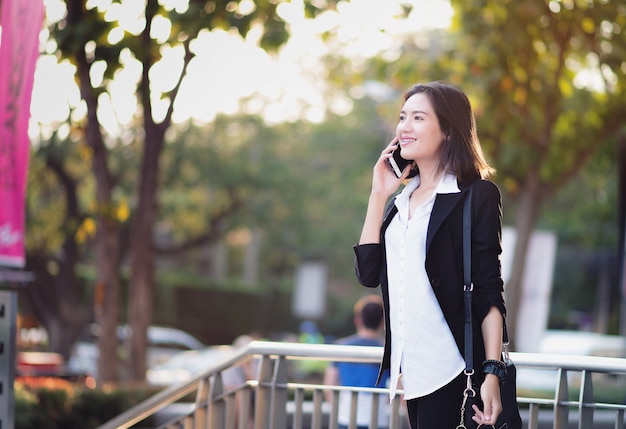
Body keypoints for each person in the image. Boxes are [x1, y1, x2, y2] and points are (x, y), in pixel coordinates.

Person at [353, 81, 507, 428]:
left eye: (418, 118)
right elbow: (367, 273)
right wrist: (378, 196)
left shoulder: (475, 196)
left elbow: (489, 290)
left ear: (449, 131)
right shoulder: (399, 202)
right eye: (403, 117)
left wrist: (492, 373)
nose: (404, 127)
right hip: (412, 373)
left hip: (453, 368)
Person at [323, 294, 390, 429]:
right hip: (377, 417)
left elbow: (329, 385)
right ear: (382, 322)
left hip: (347, 415)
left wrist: (337, 411)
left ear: (358, 320)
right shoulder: (387, 351)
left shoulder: (341, 346)